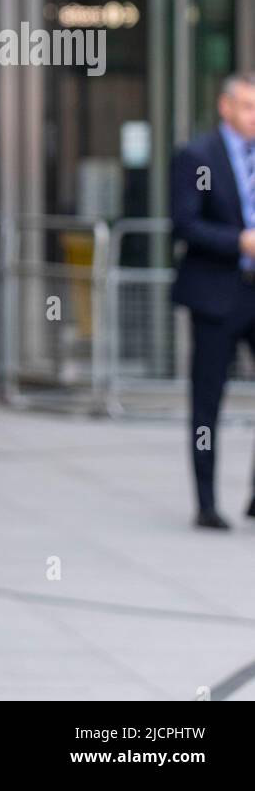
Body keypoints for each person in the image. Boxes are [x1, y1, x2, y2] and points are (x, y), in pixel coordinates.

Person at [170, 71, 255, 529]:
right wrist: (240, 241)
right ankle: (205, 502)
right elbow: (184, 225)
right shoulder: (196, 158)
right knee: (208, 404)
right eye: (248, 106)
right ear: (226, 107)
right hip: (217, 296)